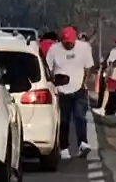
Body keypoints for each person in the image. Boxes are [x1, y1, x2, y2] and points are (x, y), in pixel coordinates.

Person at [45, 26, 93, 159]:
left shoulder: (84, 48)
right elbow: (48, 68)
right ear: (61, 40)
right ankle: (64, 147)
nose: (68, 44)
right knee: (64, 120)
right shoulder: (54, 50)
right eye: (66, 42)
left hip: (79, 89)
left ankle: (83, 143)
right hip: (61, 91)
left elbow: (88, 67)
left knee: (80, 116)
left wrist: (84, 82)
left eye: (70, 42)